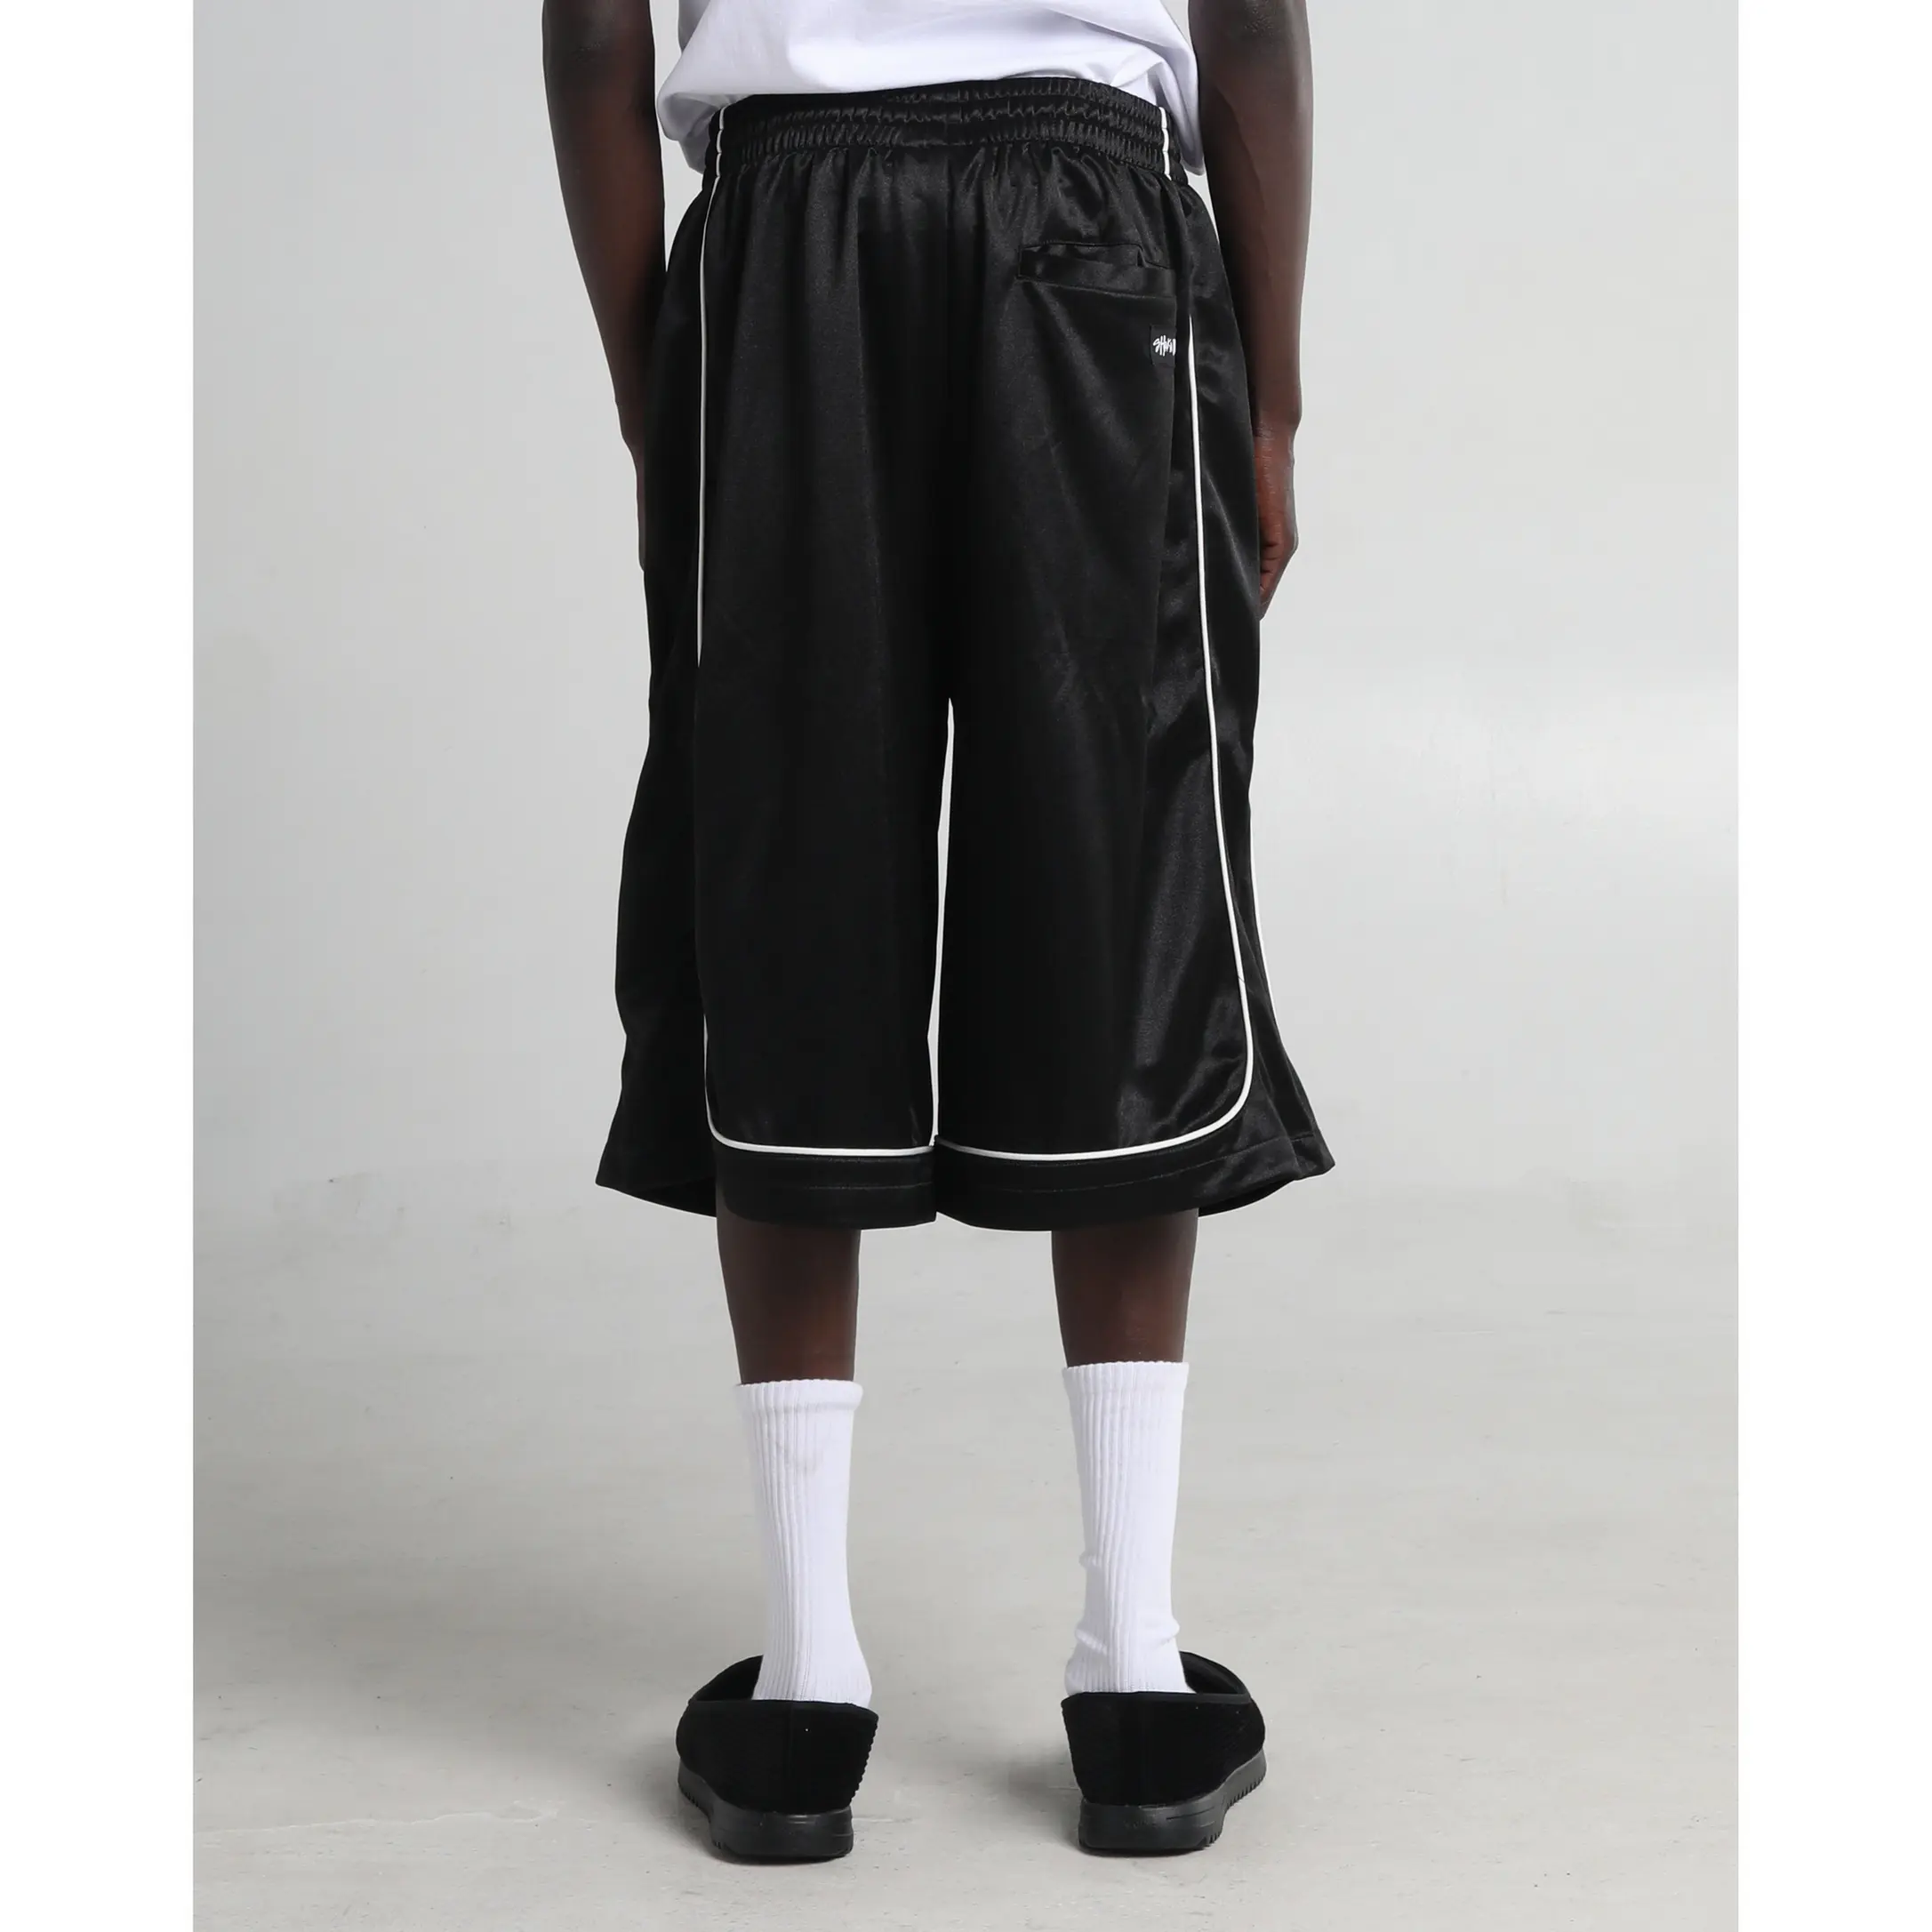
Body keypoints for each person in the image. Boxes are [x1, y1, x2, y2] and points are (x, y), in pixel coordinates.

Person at [544, 0, 1330, 1860]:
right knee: (1121, 894)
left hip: (789, 234)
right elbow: (1251, 29)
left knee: (786, 898)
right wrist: (1273, 400)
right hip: (1091, 221)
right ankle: (1136, 1679)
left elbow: (590, 32)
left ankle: (805, 1687)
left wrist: (659, 384)